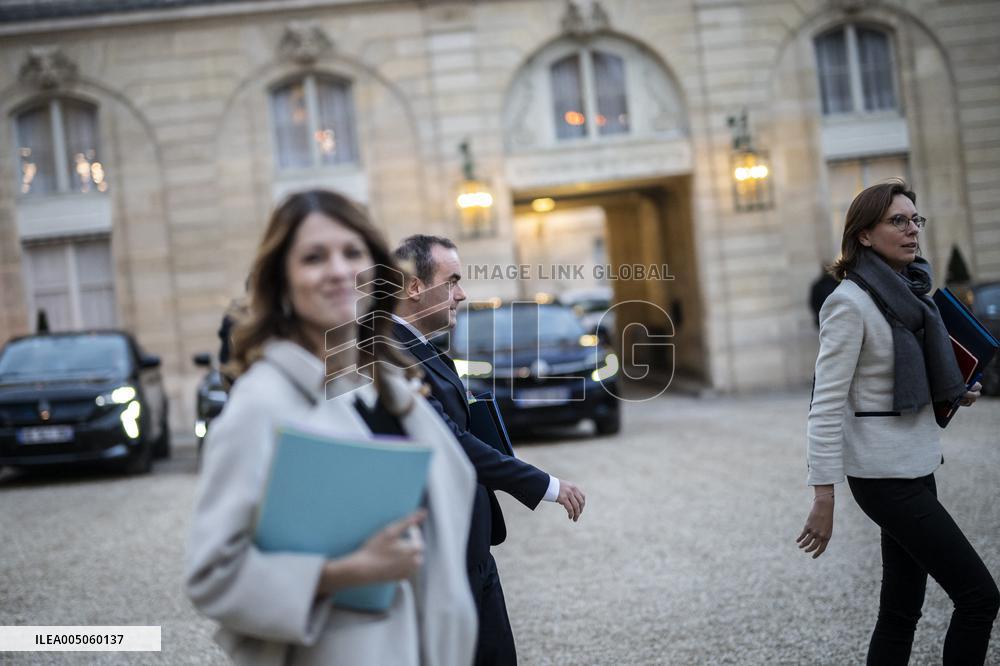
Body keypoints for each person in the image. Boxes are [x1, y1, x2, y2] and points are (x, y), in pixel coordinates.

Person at [185, 191, 477, 666]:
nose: (339, 271)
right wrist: (343, 572)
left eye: (352, 253)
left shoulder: (387, 383)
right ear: (283, 281)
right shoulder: (261, 404)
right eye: (314, 258)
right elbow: (211, 577)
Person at [797, 179, 999, 665]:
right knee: (979, 596)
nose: (912, 230)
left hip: (917, 464)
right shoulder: (848, 303)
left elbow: (899, 379)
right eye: (897, 221)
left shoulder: (914, 295)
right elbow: (825, 404)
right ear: (864, 235)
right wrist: (824, 495)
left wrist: (955, 392)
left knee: (901, 611)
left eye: (915, 220)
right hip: (883, 477)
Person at [391, 234, 587, 666]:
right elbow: (449, 443)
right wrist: (543, 484)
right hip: (441, 554)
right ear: (414, 287)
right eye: (453, 280)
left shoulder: (421, 347)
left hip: (471, 545)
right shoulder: (388, 354)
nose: (461, 294)